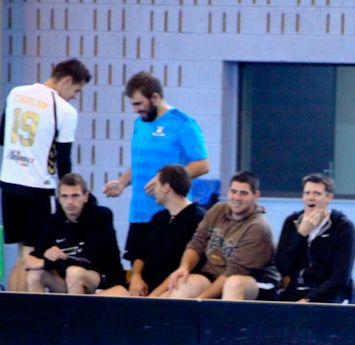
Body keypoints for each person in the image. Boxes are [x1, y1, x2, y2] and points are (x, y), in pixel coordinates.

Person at [0, 58, 91, 292]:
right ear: (67, 81)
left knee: (21, 252)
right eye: (76, 91)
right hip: (36, 187)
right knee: (31, 257)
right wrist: (68, 195)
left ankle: (12, 306)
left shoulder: (16, 93)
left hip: (9, 182)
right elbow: (64, 160)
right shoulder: (64, 110)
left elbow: (2, 134)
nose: (74, 97)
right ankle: (22, 309)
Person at [103, 72, 210, 264]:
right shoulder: (140, 123)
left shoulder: (183, 124)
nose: (135, 110)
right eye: (132, 105)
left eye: (139, 104)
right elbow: (140, 163)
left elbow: (203, 165)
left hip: (171, 215)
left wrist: (166, 180)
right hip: (140, 213)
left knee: (167, 269)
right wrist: (121, 182)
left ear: (154, 97)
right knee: (138, 271)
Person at [164, 171, 279, 301]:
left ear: (256, 195)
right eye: (233, 191)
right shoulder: (218, 210)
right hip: (214, 275)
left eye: (243, 193)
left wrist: (198, 303)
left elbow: (234, 271)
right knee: (184, 285)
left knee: (233, 284)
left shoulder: (258, 227)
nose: (236, 197)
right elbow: (197, 243)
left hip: (254, 281)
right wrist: (184, 267)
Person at [100, 164, 205, 297]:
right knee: (98, 301)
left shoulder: (197, 219)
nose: (153, 190)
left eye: (156, 185)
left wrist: (152, 298)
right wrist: (136, 277)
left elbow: (184, 268)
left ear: (166, 187)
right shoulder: (159, 218)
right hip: (144, 286)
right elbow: (141, 254)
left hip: (172, 287)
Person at [25, 173, 124, 294]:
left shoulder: (101, 216)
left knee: (74, 272)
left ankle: (75, 307)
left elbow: (89, 260)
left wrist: (48, 262)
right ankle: (37, 308)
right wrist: (46, 254)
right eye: (64, 196)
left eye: (75, 196)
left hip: (103, 281)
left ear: (85, 196)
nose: (70, 202)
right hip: (68, 280)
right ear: (59, 199)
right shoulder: (53, 221)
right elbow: (31, 260)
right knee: (34, 275)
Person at [275, 173, 355, 303]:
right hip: (294, 291)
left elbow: (340, 277)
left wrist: (309, 300)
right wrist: (301, 235)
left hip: (328, 294)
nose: (310, 198)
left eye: (317, 194)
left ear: (329, 197)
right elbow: (281, 267)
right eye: (307, 193)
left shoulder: (343, 227)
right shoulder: (291, 222)